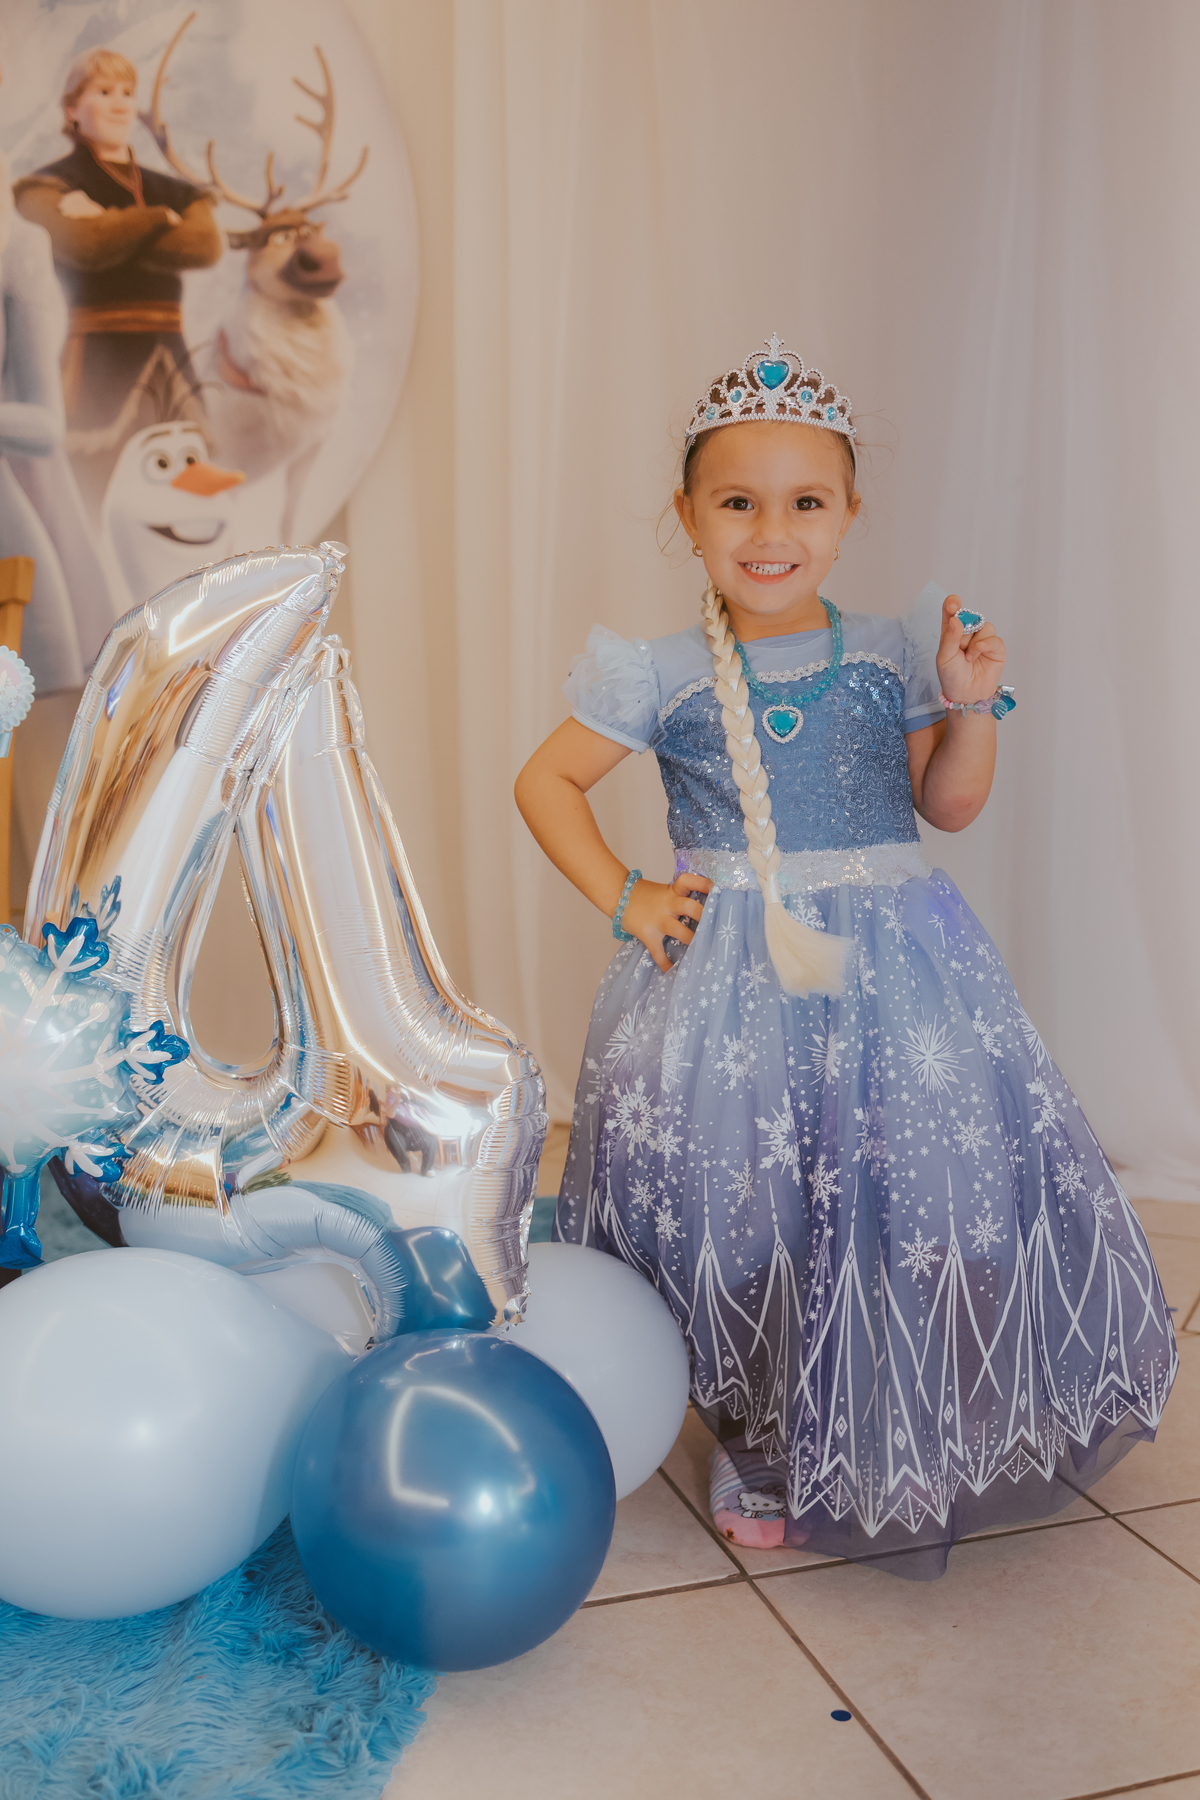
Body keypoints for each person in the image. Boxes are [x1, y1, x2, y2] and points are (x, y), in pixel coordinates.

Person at [515, 336, 1177, 1578]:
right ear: (689, 518)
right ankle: (763, 1426)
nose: (773, 531)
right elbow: (545, 781)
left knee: (912, 1188)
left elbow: (949, 805)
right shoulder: (656, 671)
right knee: (753, 1204)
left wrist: (969, 704)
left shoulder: (885, 649)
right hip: (731, 989)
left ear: (848, 515)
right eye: (738, 503)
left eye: (806, 503)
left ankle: (910, 1393)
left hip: (897, 974)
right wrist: (626, 895)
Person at [12, 47, 222, 519]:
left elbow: (204, 246)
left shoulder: (176, 190)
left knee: (186, 498)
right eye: (104, 92)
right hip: (95, 363)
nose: (120, 104)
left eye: (127, 92)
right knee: (92, 496)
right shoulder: (44, 186)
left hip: (173, 360)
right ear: (72, 108)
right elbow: (84, 245)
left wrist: (109, 219)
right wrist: (160, 220)